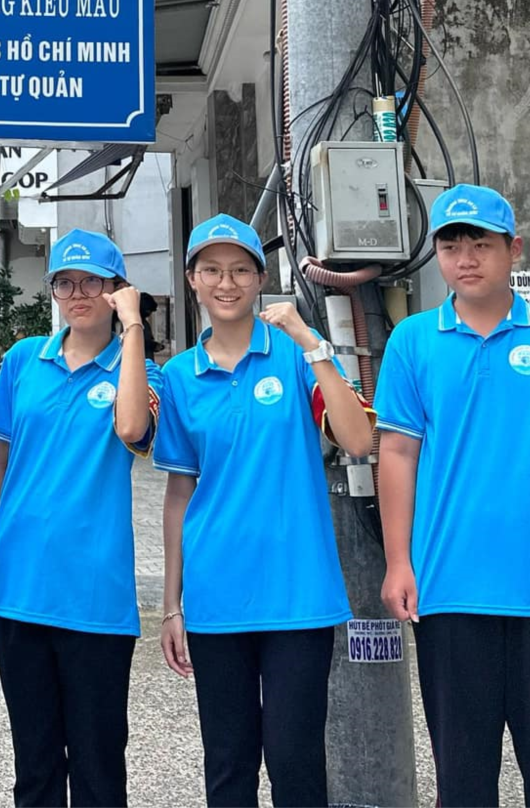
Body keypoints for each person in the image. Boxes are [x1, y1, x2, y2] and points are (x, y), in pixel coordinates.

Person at [374, 185, 530, 808]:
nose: (466, 258)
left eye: (481, 243)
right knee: (463, 782)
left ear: (513, 249)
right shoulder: (413, 341)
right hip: (451, 590)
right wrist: (398, 562)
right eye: (451, 245)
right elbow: (398, 454)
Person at [154, 214, 375, 808]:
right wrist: (172, 604)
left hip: (297, 595)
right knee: (228, 763)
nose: (226, 283)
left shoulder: (297, 357)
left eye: (240, 271)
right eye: (211, 271)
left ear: (259, 278)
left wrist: (312, 342)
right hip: (215, 594)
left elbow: (358, 440)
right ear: (193, 280)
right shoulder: (178, 377)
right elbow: (179, 494)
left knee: (294, 758)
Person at [0, 228, 162, 808]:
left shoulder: (139, 371)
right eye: (65, 282)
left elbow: (132, 427)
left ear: (117, 289)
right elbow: (2, 459)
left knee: (97, 764)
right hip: (20, 587)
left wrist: (132, 328)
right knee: (35, 764)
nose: (78, 294)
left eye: (92, 282)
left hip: (95, 594)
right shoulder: (22, 360)